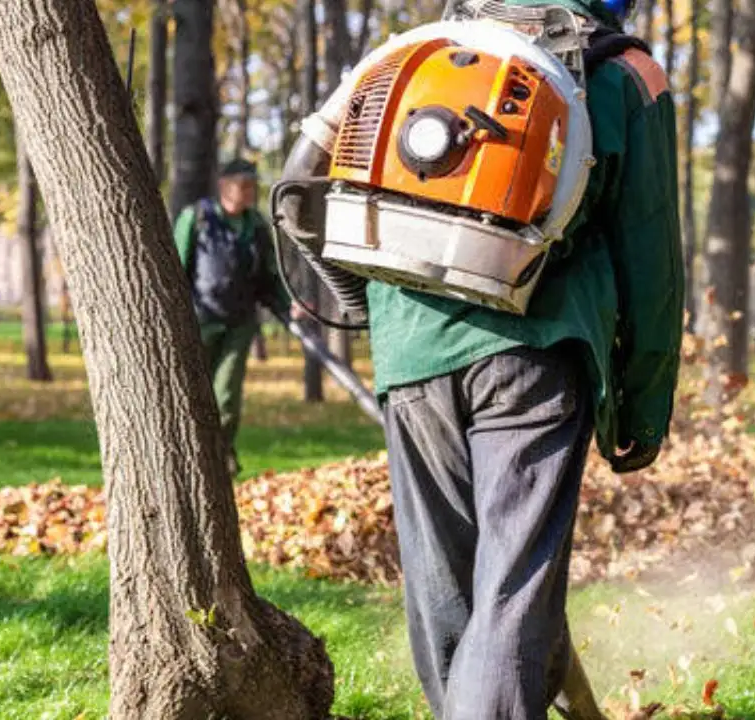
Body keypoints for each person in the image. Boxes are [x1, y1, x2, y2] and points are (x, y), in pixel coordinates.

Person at [281, 0, 682, 715]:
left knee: (445, 589)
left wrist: (373, 314)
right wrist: (643, 413)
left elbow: (306, 178)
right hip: (535, 355)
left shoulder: (422, 49)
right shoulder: (628, 74)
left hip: (411, 351)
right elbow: (650, 262)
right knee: (512, 592)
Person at [173, 158, 302, 476]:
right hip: (200, 320)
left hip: (240, 322)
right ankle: (189, 456)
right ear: (223, 185)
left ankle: (220, 456)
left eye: (251, 186)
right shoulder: (198, 217)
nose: (248, 192)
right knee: (192, 391)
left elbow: (271, 275)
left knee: (227, 394)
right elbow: (175, 270)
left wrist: (289, 305)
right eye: (242, 185)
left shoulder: (256, 225)